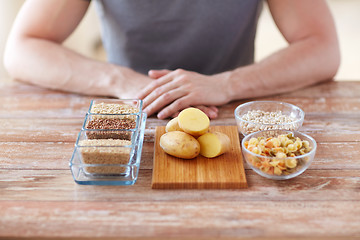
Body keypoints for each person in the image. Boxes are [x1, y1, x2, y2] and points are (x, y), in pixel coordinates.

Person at [4, 0, 340, 119]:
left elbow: (322, 46)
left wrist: (227, 84)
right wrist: (120, 81)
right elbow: (22, 48)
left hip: (227, 115)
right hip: (131, 114)